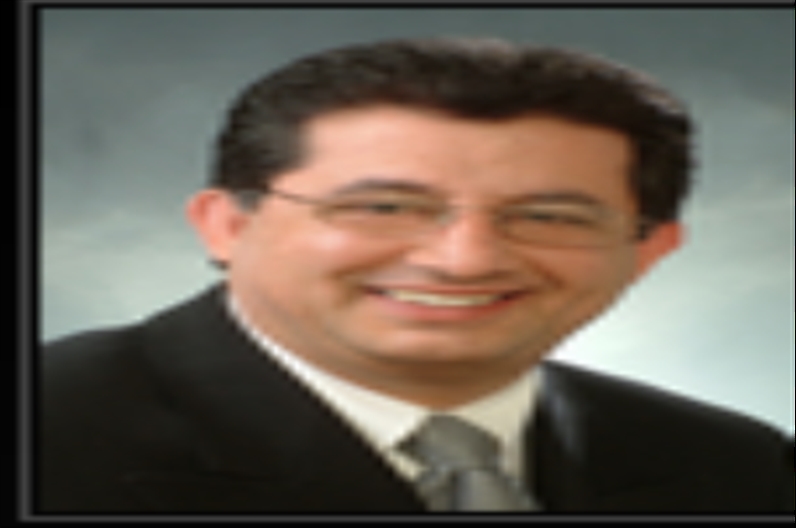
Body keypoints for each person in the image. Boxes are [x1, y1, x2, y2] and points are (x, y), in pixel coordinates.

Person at [38, 37, 794, 515]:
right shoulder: (46, 435)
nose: (465, 260)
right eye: (385, 207)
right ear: (227, 225)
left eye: (551, 216)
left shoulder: (736, 466)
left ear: (650, 248)